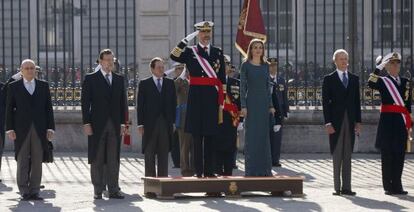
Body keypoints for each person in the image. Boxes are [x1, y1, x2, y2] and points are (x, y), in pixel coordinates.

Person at [170, 21, 226, 178]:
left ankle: (209, 170)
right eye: (203, 32)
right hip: (195, 97)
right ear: (198, 34)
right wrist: (185, 40)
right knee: (196, 136)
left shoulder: (217, 52)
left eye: (208, 32)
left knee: (210, 135)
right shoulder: (190, 51)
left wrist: (222, 101)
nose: (206, 35)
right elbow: (173, 55)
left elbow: (222, 78)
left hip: (211, 97)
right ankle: (198, 171)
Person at [5, 59, 55, 201]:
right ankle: (24, 190)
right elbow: (9, 109)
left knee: (37, 160)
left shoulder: (43, 86)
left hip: (40, 129)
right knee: (22, 160)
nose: (29, 70)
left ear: (35, 70)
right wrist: (9, 129)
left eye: (32, 68)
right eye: (26, 68)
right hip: (21, 129)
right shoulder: (14, 86)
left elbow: (48, 108)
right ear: (21, 70)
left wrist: (51, 127)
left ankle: (34, 190)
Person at [81, 49, 127, 200]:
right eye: (106, 60)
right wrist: (86, 123)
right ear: (100, 61)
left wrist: (123, 123)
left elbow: (123, 104)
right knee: (97, 158)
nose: (109, 63)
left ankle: (113, 189)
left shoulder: (119, 79)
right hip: (96, 124)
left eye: (111, 60)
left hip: (114, 125)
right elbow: (85, 103)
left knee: (113, 158)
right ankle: (98, 189)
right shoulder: (91, 78)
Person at [368, 52, 411, 195]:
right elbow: (370, 83)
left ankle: (398, 185)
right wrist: (378, 68)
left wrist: (409, 123)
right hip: (387, 122)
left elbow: (408, 105)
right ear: (387, 66)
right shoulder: (382, 81)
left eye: (398, 63)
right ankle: (388, 186)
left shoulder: (405, 82)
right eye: (392, 63)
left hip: (400, 122)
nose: (396, 65)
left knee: (399, 155)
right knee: (387, 155)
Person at [322, 49, 361, 196]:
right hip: (335, 122)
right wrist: (328, 123)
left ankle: (347, 187)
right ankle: (337, 188)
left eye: (346, 59)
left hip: (350, 121)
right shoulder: (329, 79)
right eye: (341, 59)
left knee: (347, 154)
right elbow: (325, 103)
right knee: (337, 153)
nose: (344, 61)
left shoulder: (354, 79)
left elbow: (357, 102)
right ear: (335, 61)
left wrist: (358, 121)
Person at [137, 57, 176, 184]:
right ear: (152, 69)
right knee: (149, 154)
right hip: (149, 125)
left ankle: (162, 183)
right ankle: (150, 185)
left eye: (162, 67)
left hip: (165, 124)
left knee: (163, 154)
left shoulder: (170, 83)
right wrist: (140, 124)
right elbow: (140, 106)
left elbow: (173, 103)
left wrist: (173, 122)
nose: (161, 69)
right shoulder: (144, 84)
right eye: (158, 67)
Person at [240, 39, 275, 176]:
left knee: (263, 136)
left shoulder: (266, 65)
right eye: (255, 47)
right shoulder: (245, 65)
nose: (258, 49)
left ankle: (265, 170)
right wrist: (243, 105)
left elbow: (268, 87)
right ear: (251, 49)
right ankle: (251, 171)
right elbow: (242, 87)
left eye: (260, 47)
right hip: (251, 103)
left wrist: (271, 105)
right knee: (251, 137)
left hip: (263, 103)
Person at [213, 55, 241, 176]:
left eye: (227, 64)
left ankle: (229, 176)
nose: (225, 66)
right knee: (216, 149)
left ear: (230, 67)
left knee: (230, 149)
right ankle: (217, 175)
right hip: (216, 121)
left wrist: (242, 121)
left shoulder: (236, 83)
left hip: (231, 121)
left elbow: (240, 102)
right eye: (222, 64)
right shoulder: (212, 83)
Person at [268, 57, 289, 167]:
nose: (273, 67)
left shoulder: (281, 80)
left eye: (275, 65)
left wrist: (287, 110)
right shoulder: (266, 79)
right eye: (271, 65)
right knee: (268, 137)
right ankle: (268, 159)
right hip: (269, 111)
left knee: (277, 138)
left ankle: (275, 160)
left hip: (279, 112)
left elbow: (284, 96)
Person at [175, 67, 195, 176]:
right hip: (183, 118)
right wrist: (181, 77)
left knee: (194, 144)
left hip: (195, 116)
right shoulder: (180, 82)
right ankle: (185, 168)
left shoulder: (195, 81)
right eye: (185, 70)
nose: (187, 72)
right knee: (184, 144)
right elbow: (174, 89)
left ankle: (194, 167)